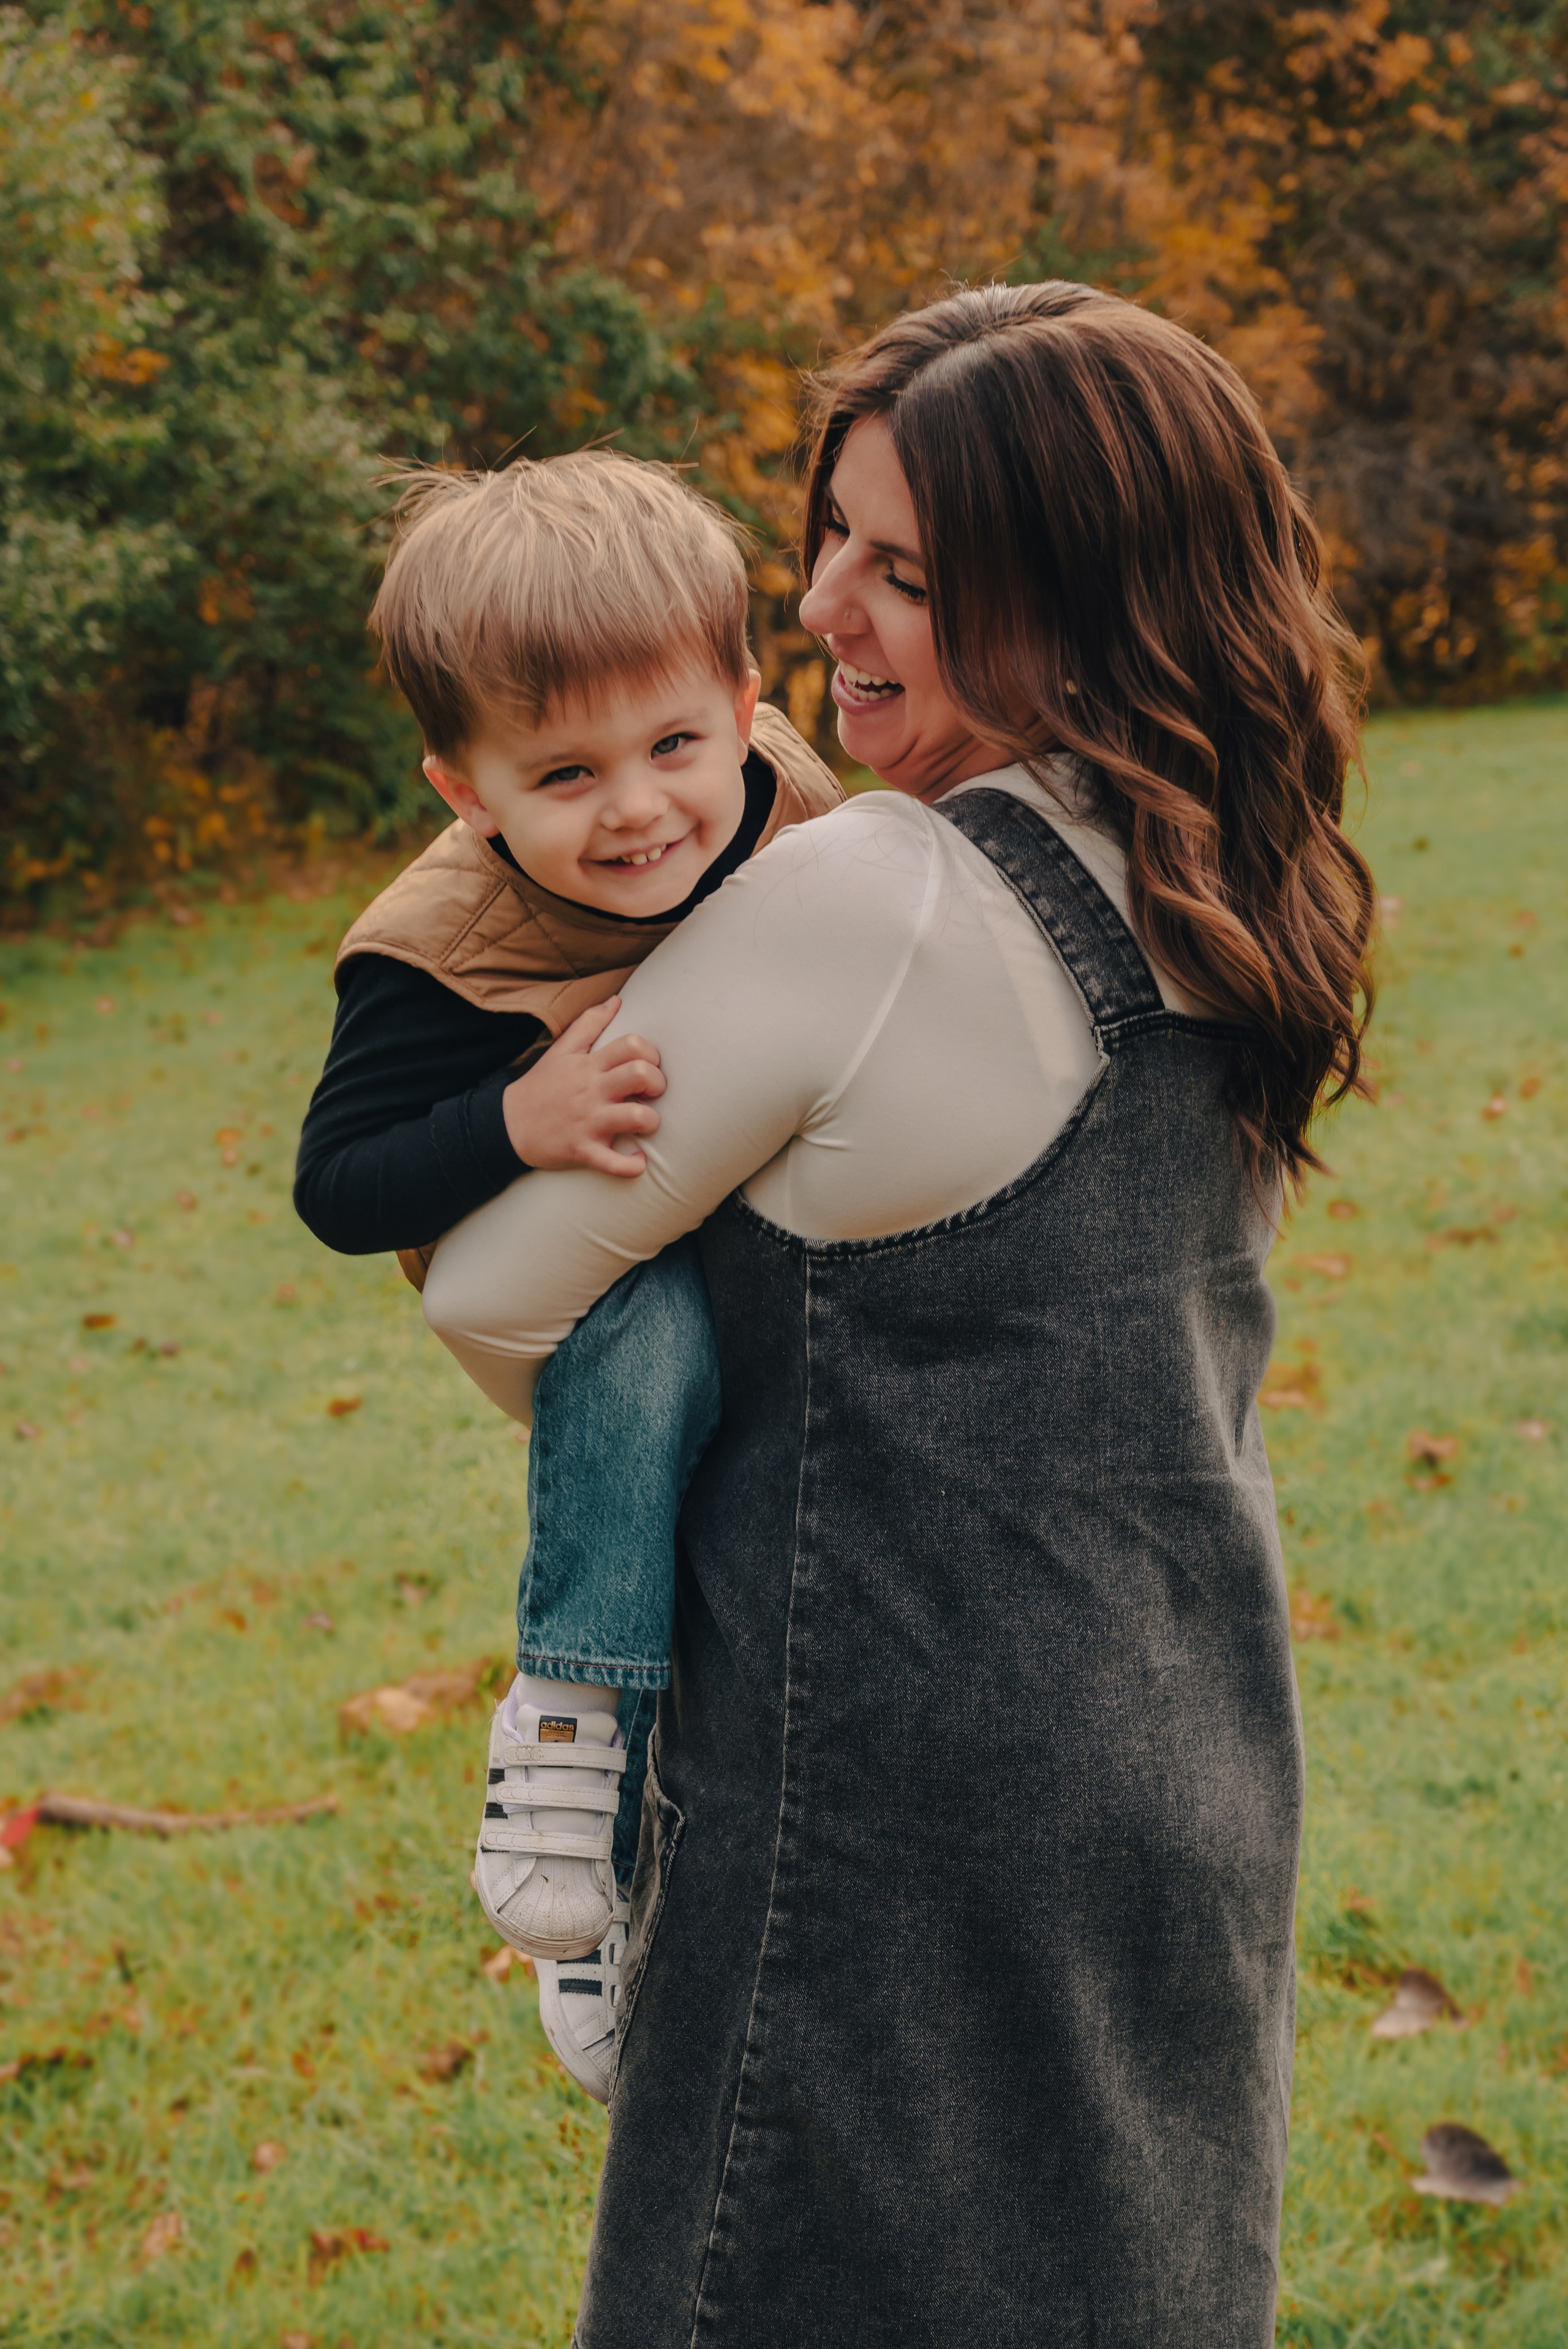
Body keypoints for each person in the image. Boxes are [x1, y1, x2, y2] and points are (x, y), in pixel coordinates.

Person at [423, 280, 1376, 2345]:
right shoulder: (1230, 870)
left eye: (910, 574)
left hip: (891, 1800)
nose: (822, 604)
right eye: (830, 529)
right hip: (1179, 1750)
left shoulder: (879, 894)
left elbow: (496, 1291)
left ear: (1077, 606)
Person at [292, 452, 840, 2097]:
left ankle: (633, 1905)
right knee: (644, 1349)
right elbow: (338, 1184)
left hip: (773, 1226)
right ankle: (569, 1730)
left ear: (747, 702)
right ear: (467, 791)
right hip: (581, 1283)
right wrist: (512, 1116)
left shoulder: (795, 809)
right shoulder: (431, 946)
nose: (639, 807)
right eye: (566, 772)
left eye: (677, 741)